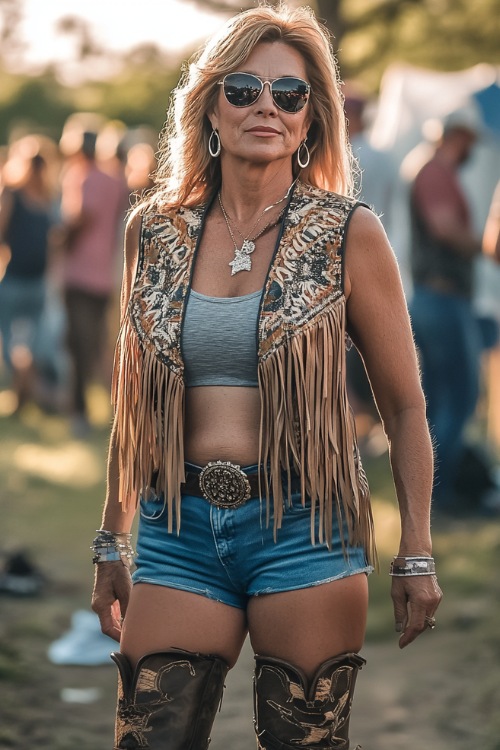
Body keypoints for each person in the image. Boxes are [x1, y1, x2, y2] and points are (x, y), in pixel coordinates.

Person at [91, 6, 442, 749]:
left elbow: (406, 406)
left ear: (312, 118)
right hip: (177, 526)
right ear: (211, 104)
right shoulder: (152, 231)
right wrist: (110, 539)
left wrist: (416, 549)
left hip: (306, 527)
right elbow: (136, 403)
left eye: (291, 95)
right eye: (246, 88)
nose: (267, 108)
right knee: (147, 738)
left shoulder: (350, 232)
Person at [408, 109, 485, 513]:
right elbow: (443, 226)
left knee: (439, 400)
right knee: (460, 395)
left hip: (434, 299)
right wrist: (483, 246)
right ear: (458, 137)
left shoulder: (430, 169)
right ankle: (444, 495)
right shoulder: (435, 171)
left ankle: (432, 494)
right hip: (441, 299)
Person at [59, 129, 128, 436]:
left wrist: (58, 241)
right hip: (105, 275)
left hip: (78, 273)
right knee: (99, 343)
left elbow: (80, 217)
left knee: (78, 345)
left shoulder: (82, 176)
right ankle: (113, 407)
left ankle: (79, 412)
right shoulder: (116, 180)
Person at [0, 139, 59, 411]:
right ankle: (22, 392)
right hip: (14, 278)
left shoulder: (47, 198)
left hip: (37, 282)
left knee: (36, 344)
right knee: (10, 342)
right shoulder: (12, 194)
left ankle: (24, 395)